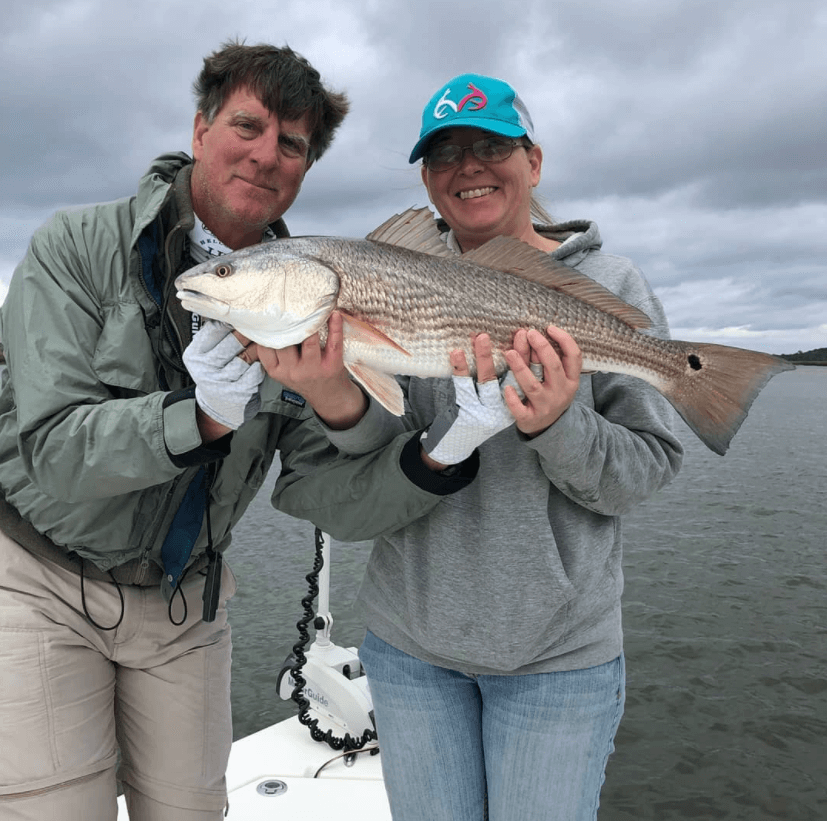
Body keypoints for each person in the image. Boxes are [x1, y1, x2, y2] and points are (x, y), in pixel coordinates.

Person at [0, 40, 402, 821]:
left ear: (306, 166)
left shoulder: (311, 292)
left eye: (291, 143)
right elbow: (52, 451)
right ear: (199, 128)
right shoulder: (73, 247)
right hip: (37, 577)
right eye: (246, 126)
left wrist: (351, 411)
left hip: (186, 600)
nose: (265, 155)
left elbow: (339, 502)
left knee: (191, 810)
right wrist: (203, 416)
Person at [271, 74, 685, 820]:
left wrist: (556, 422)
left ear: (533, 159)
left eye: (489, 145)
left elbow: (643, 473)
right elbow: (379, 466)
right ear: (426, 179)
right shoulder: (382, 275)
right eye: (444, 154)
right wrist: (338, 393)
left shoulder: (609, 284)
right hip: (409, 651)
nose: (467, 167)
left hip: (557, 659)